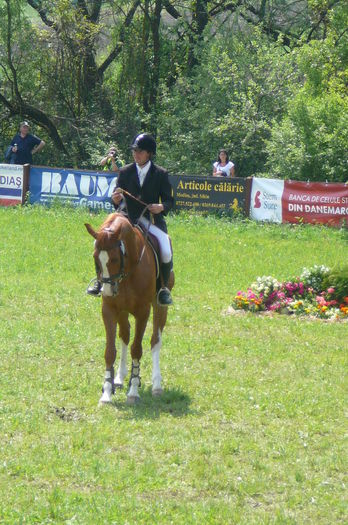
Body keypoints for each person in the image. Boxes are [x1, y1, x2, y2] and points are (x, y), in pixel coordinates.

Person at [87, 133, 174, 306]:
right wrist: (115, 199)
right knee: (99, 244)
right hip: (126, 218)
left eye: (140, 151)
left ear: (149, 153)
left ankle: (163, 288)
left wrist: (161, 207)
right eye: (134, 151)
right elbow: (116, 195)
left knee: (165, 247)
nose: (136, 154)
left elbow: (170, 201)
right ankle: (99, 280)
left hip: (150, 219)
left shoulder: (161, 174)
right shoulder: (125, 171)